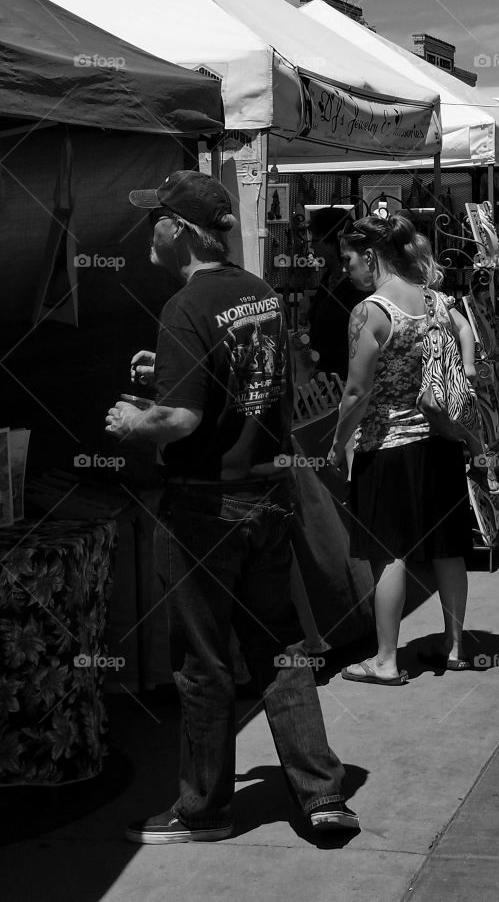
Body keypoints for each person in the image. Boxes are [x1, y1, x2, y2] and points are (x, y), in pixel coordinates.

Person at [105, 170, 357, 844]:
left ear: (179, 231)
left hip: (206, 509)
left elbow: (184, 419)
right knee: (280, 647)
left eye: (155, 217)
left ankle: (204, 808)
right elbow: (249, 375)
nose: (147, 228)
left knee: (204, 663)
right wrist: (160, 372)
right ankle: (323, 793)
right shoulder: (259, 293)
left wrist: (135, 423)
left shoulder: (185, 306)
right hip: (268, 499)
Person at [327, 215, 476, 681]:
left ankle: (386, 660)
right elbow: (464, 329)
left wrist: (337, 443)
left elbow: (356, 392)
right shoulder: (433, 299)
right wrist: (468, 371)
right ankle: (454, 646)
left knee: (388, 552)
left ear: (370, 256)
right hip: (439, 441)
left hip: (386, 446)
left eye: (348, 260)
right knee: (447, 549)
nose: (346, 271)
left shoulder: (370, 311)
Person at [307, 208, 369, 380]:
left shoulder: (357, 285)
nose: (312, 246)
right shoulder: (329, 277)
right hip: (326, 377)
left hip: (346, 378)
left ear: (331, 241)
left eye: (316, 239)